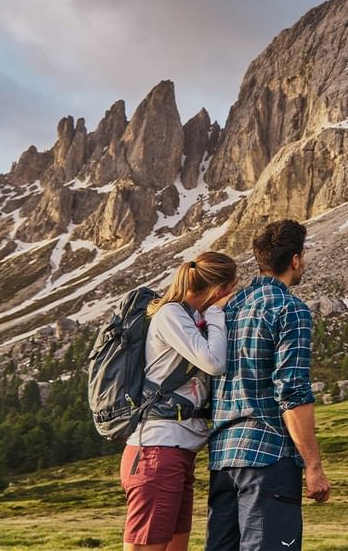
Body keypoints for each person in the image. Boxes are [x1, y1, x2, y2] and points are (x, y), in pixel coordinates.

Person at [206, 219, 331, 551]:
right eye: (302, 256)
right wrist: (314, 467)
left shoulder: (225, 309)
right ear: (294, 260)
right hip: (269, 459)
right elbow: (292, 391)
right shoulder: (290, 310)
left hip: (223, 459)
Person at [120, 251, 237, 551]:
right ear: (217, 291)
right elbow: (214, 363)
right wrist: (215, 315)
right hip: (157, 452)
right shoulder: (171, 314)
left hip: (178, 454)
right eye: (231, 289)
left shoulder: (190, 318)